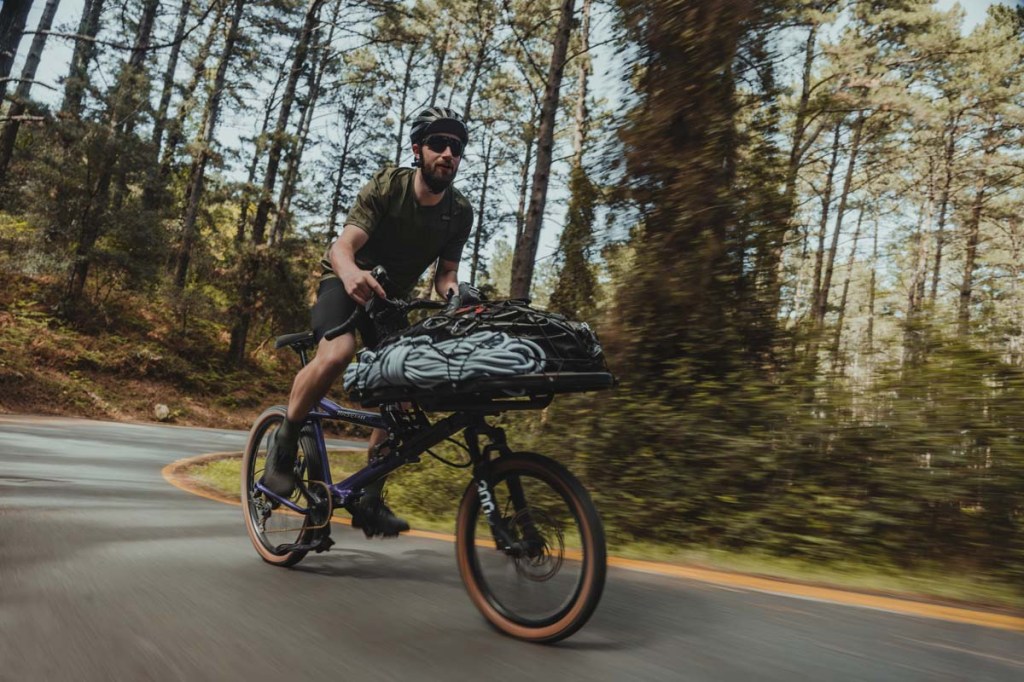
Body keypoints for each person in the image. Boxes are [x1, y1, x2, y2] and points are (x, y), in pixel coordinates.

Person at [261, 107, 474, 537]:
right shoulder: (387, 186)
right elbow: (343, 246)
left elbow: (444, 277)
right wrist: (352, 273)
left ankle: (370, 498)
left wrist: (459, 295)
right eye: (438, 144)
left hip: (391, 301)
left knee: (404, 392)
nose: (448, 153)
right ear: (418, 150)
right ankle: (282, 446)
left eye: (456, 147)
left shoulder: (459, 212)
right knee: (339, 352)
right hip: (345, 280)